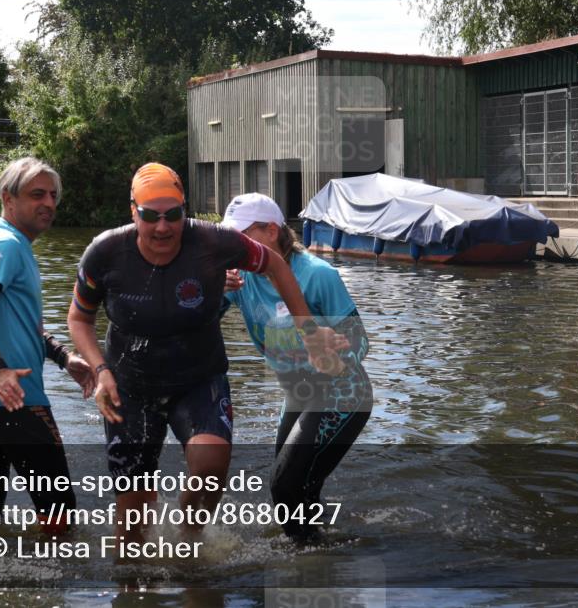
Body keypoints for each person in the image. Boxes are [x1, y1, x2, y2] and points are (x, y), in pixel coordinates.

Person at [67, 163, 345, 548]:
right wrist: (100, 371)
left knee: (211, 468)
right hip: (128, 385)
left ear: (186, 210)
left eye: (173, 215)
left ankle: (189, 541)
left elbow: (276, 264)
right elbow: (79, 318)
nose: (162, 227)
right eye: (150, 216)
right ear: (133, 211)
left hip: (198, 378)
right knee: (131, 520)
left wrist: (309, 331)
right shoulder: (105, 252)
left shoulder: (214, 242)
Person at [0, 157, 95, 533]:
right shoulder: (6, 244)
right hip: (12, 397)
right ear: (7, 197)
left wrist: (63, 357)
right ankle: (57, 583)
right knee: (58, 508)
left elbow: (17, 321)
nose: (48, 202)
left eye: (52, 195)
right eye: (36, 194)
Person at [221, 192, 372, 543]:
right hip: (297, 396)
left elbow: (360, 341)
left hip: (342, 393)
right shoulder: (239, 279)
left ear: (271, 231)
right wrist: (213, 290)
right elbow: (200, 321)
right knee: (297, 490)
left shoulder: (317, 275)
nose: (234, 247)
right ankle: (325, 557)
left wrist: (335, 351)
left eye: (241, 236)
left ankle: (310, 562)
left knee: (285, 487)